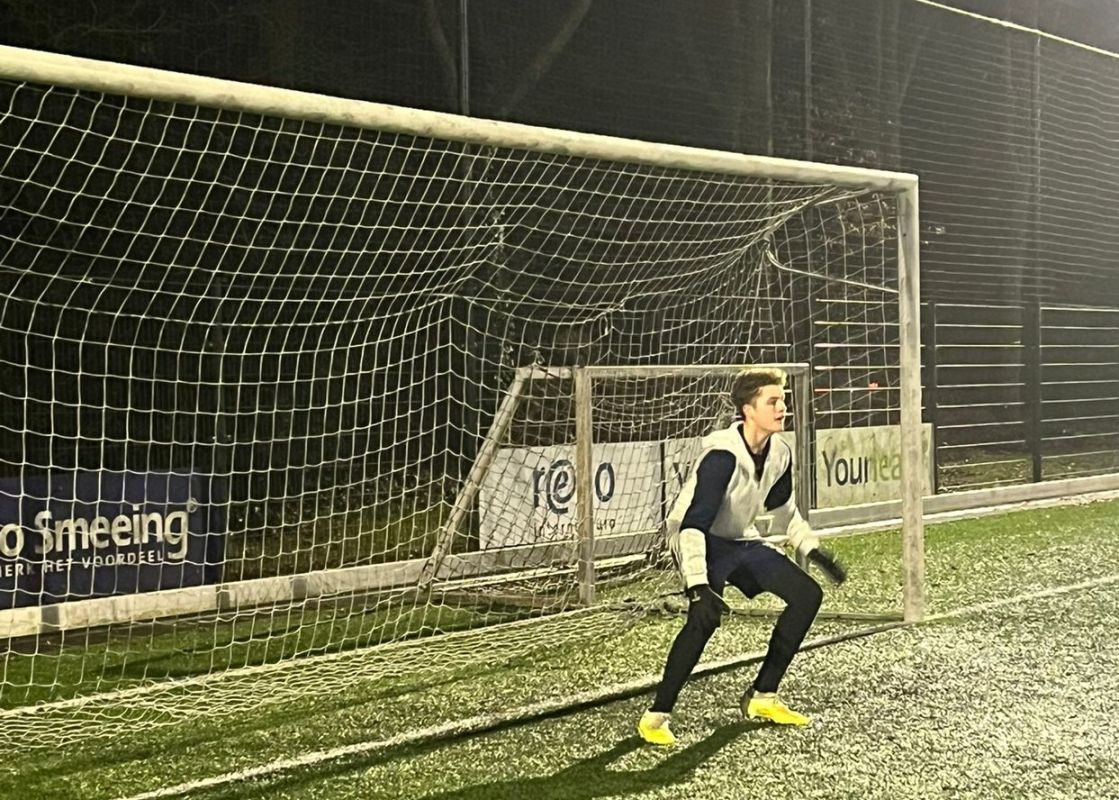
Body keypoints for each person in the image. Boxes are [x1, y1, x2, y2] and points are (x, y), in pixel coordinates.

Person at [637, 368, 847, 746]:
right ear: (748, 410)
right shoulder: (722, 456)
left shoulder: (780, 452)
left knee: (807, 595)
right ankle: (656, 716)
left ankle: (763, 695)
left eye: (783, 400)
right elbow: (693, 524)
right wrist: (698, 585)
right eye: (773, 401)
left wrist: (811, 548)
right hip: (697, 538)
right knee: (704, 619)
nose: (782, 408)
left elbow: (783, 508)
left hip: (738, 538)